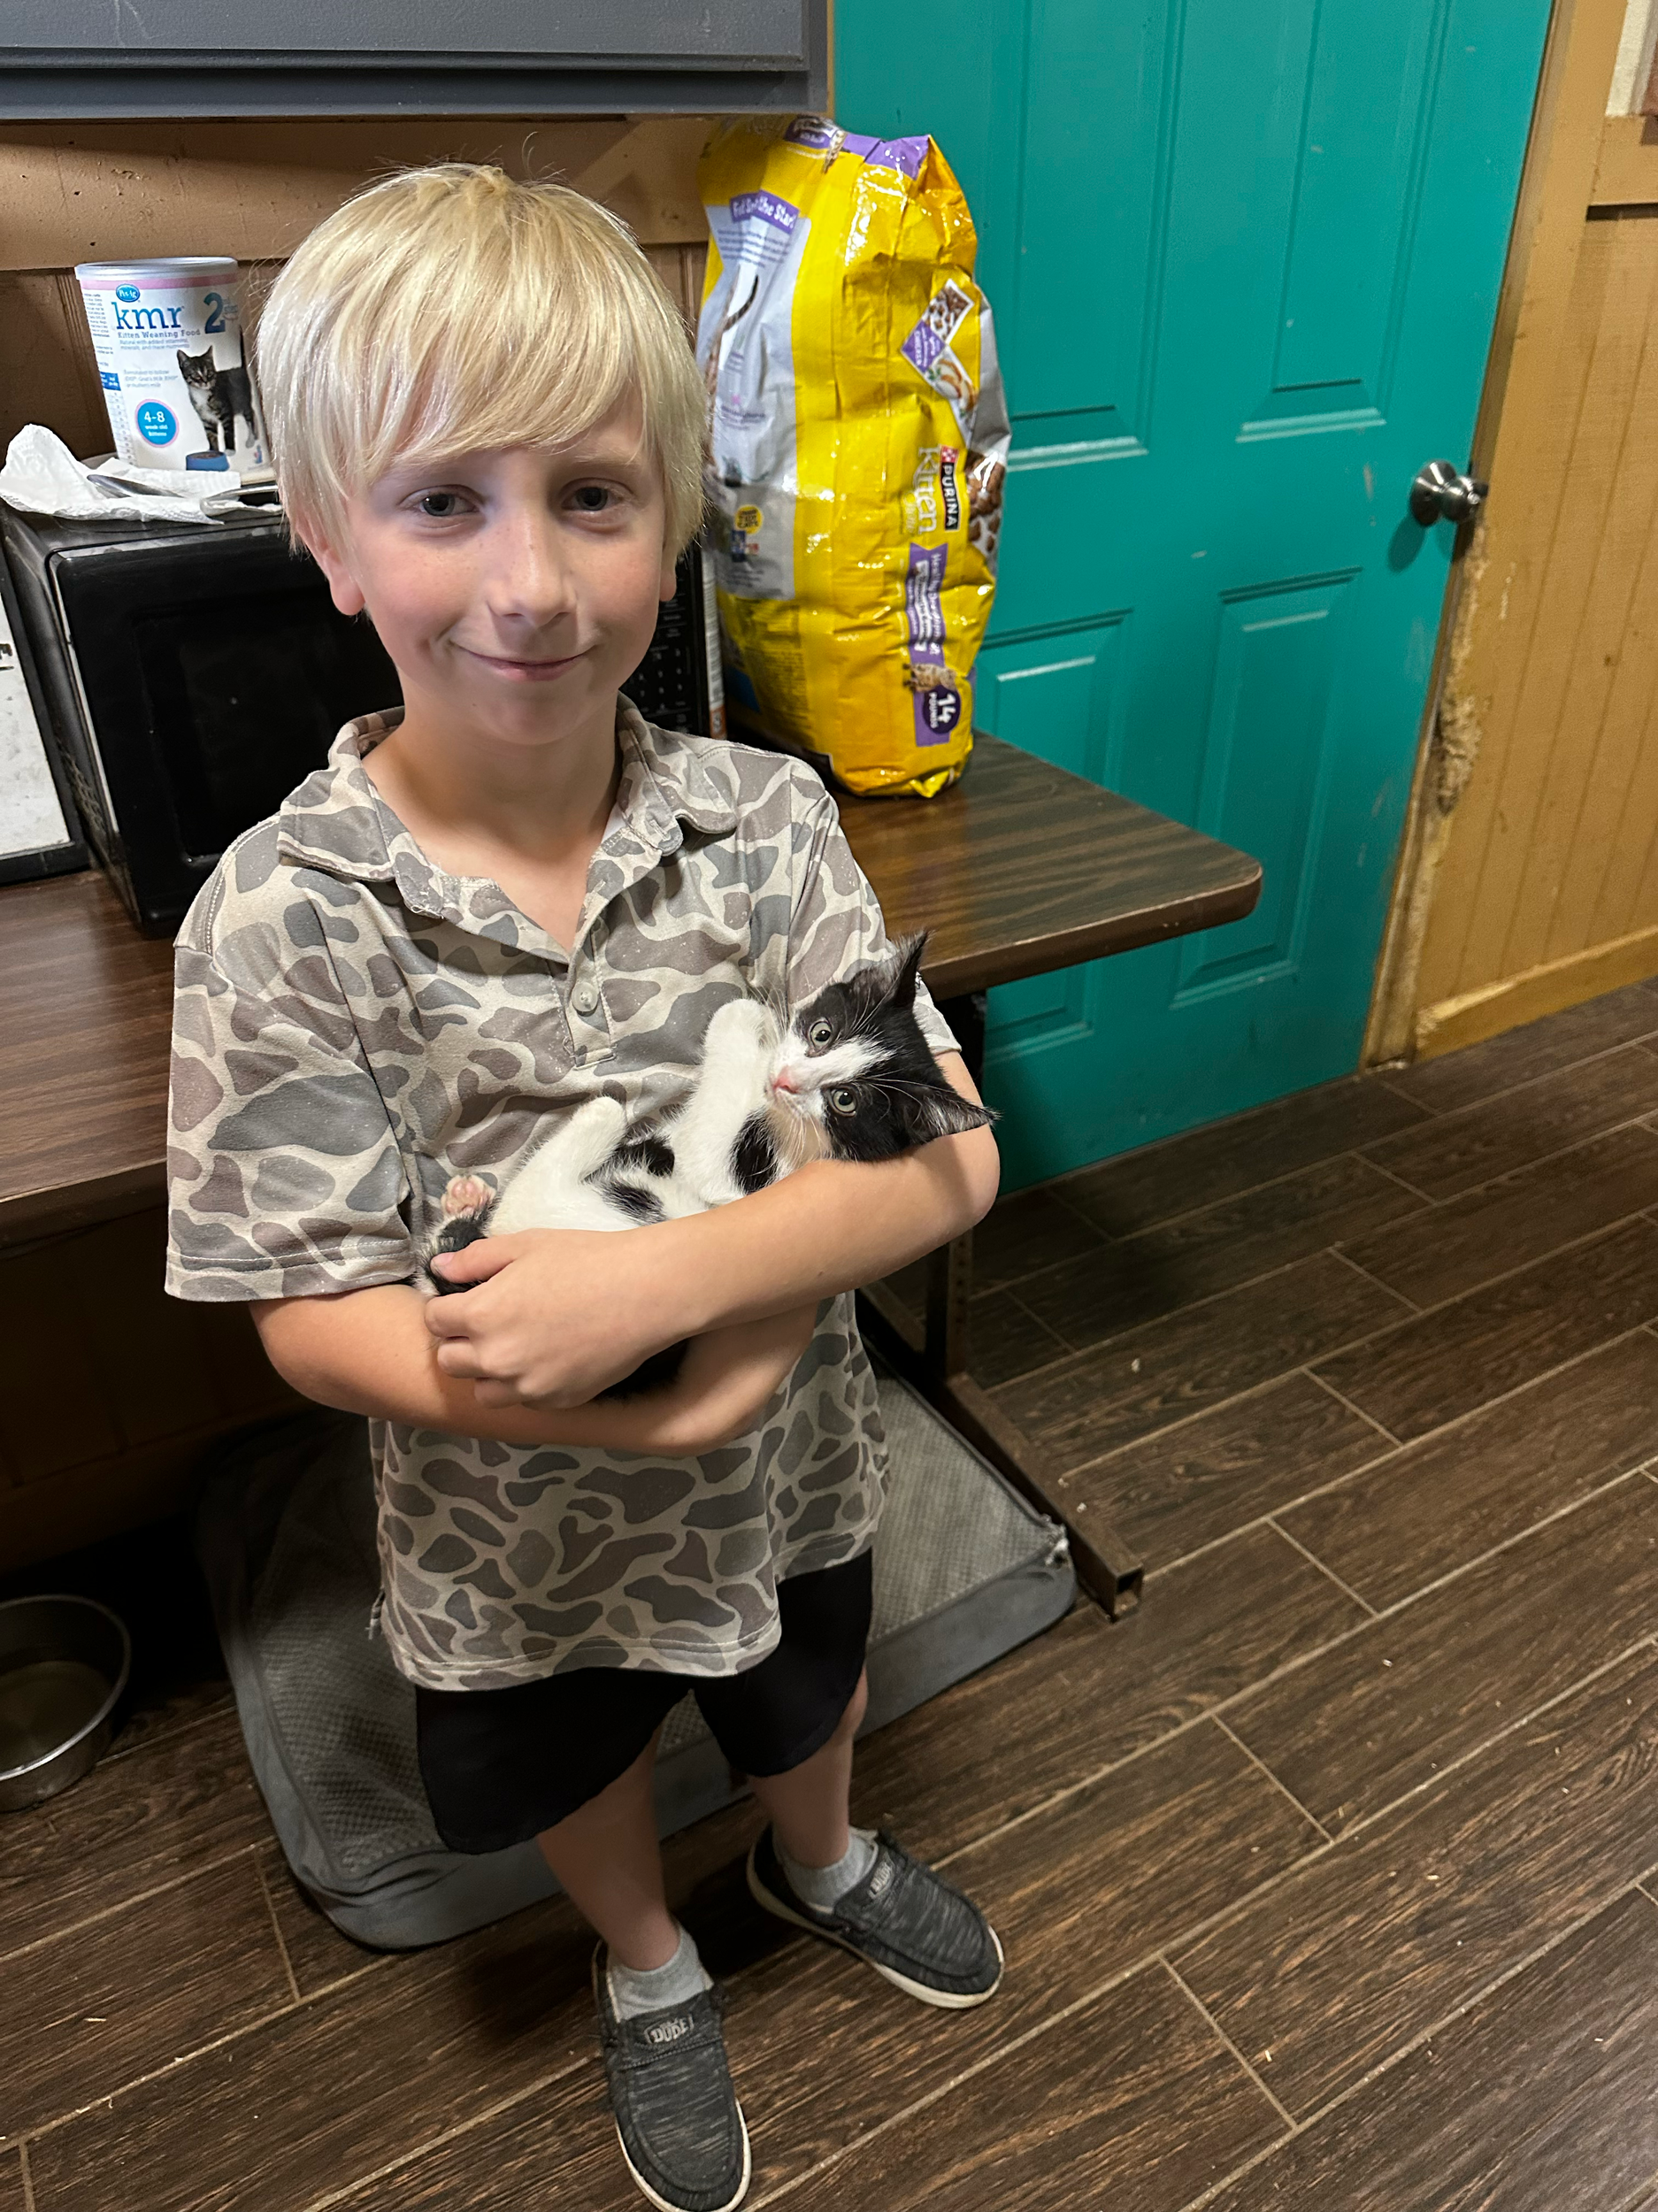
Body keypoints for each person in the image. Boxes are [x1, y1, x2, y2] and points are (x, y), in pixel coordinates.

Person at [165, 164, 1004, 2212]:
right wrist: (566, 1374)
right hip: (506, 1533)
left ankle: (817, 1857)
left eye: (593, 497)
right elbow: (302, 1302)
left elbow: (940, 1143)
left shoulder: (764, 822)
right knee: (574, 1747)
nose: (529, 582)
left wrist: (695, 1309)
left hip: (786, 1461)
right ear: (325, 533)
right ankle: (644, 1964)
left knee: (809, 1666)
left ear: (674, 518)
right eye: (445, 500)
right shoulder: (279, 918)